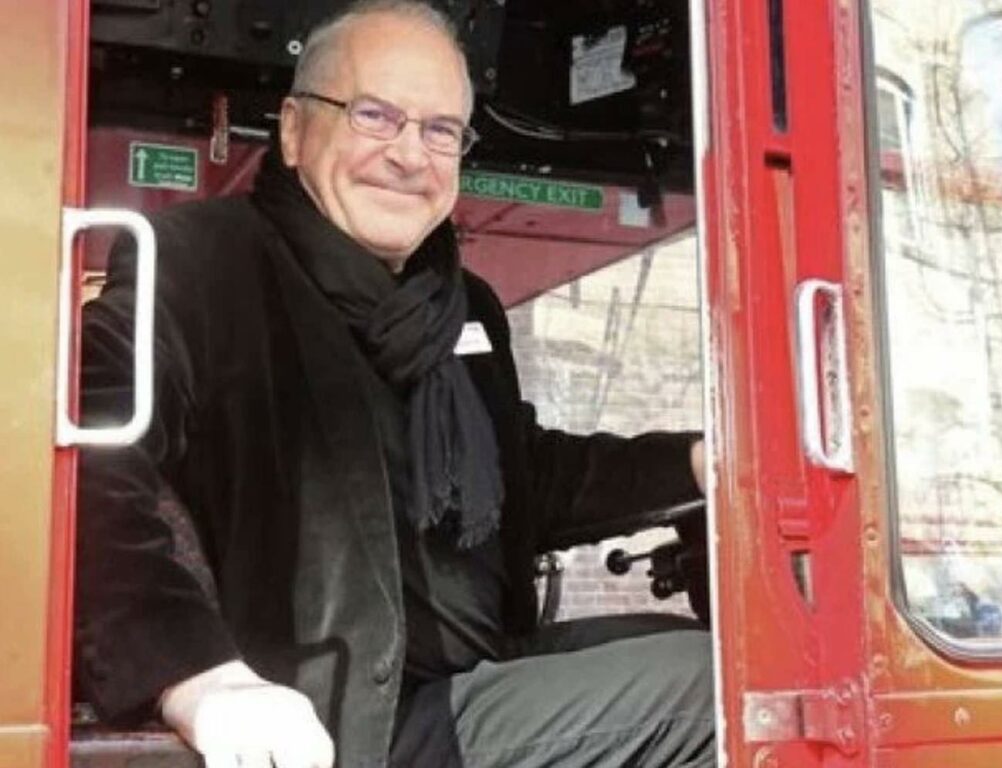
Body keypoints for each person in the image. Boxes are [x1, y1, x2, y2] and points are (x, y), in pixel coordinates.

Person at [74, 2, 715, 766]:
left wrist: (694, 462)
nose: (410, 155)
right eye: (375, 115)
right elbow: (87, 460)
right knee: (715, 689)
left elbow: (526, 478)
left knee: (712, 646)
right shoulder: (199, 264)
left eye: (441, 130)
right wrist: (199, 680)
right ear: (293, 130)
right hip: (338, 710)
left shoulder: (462, 304)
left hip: (475, 661)